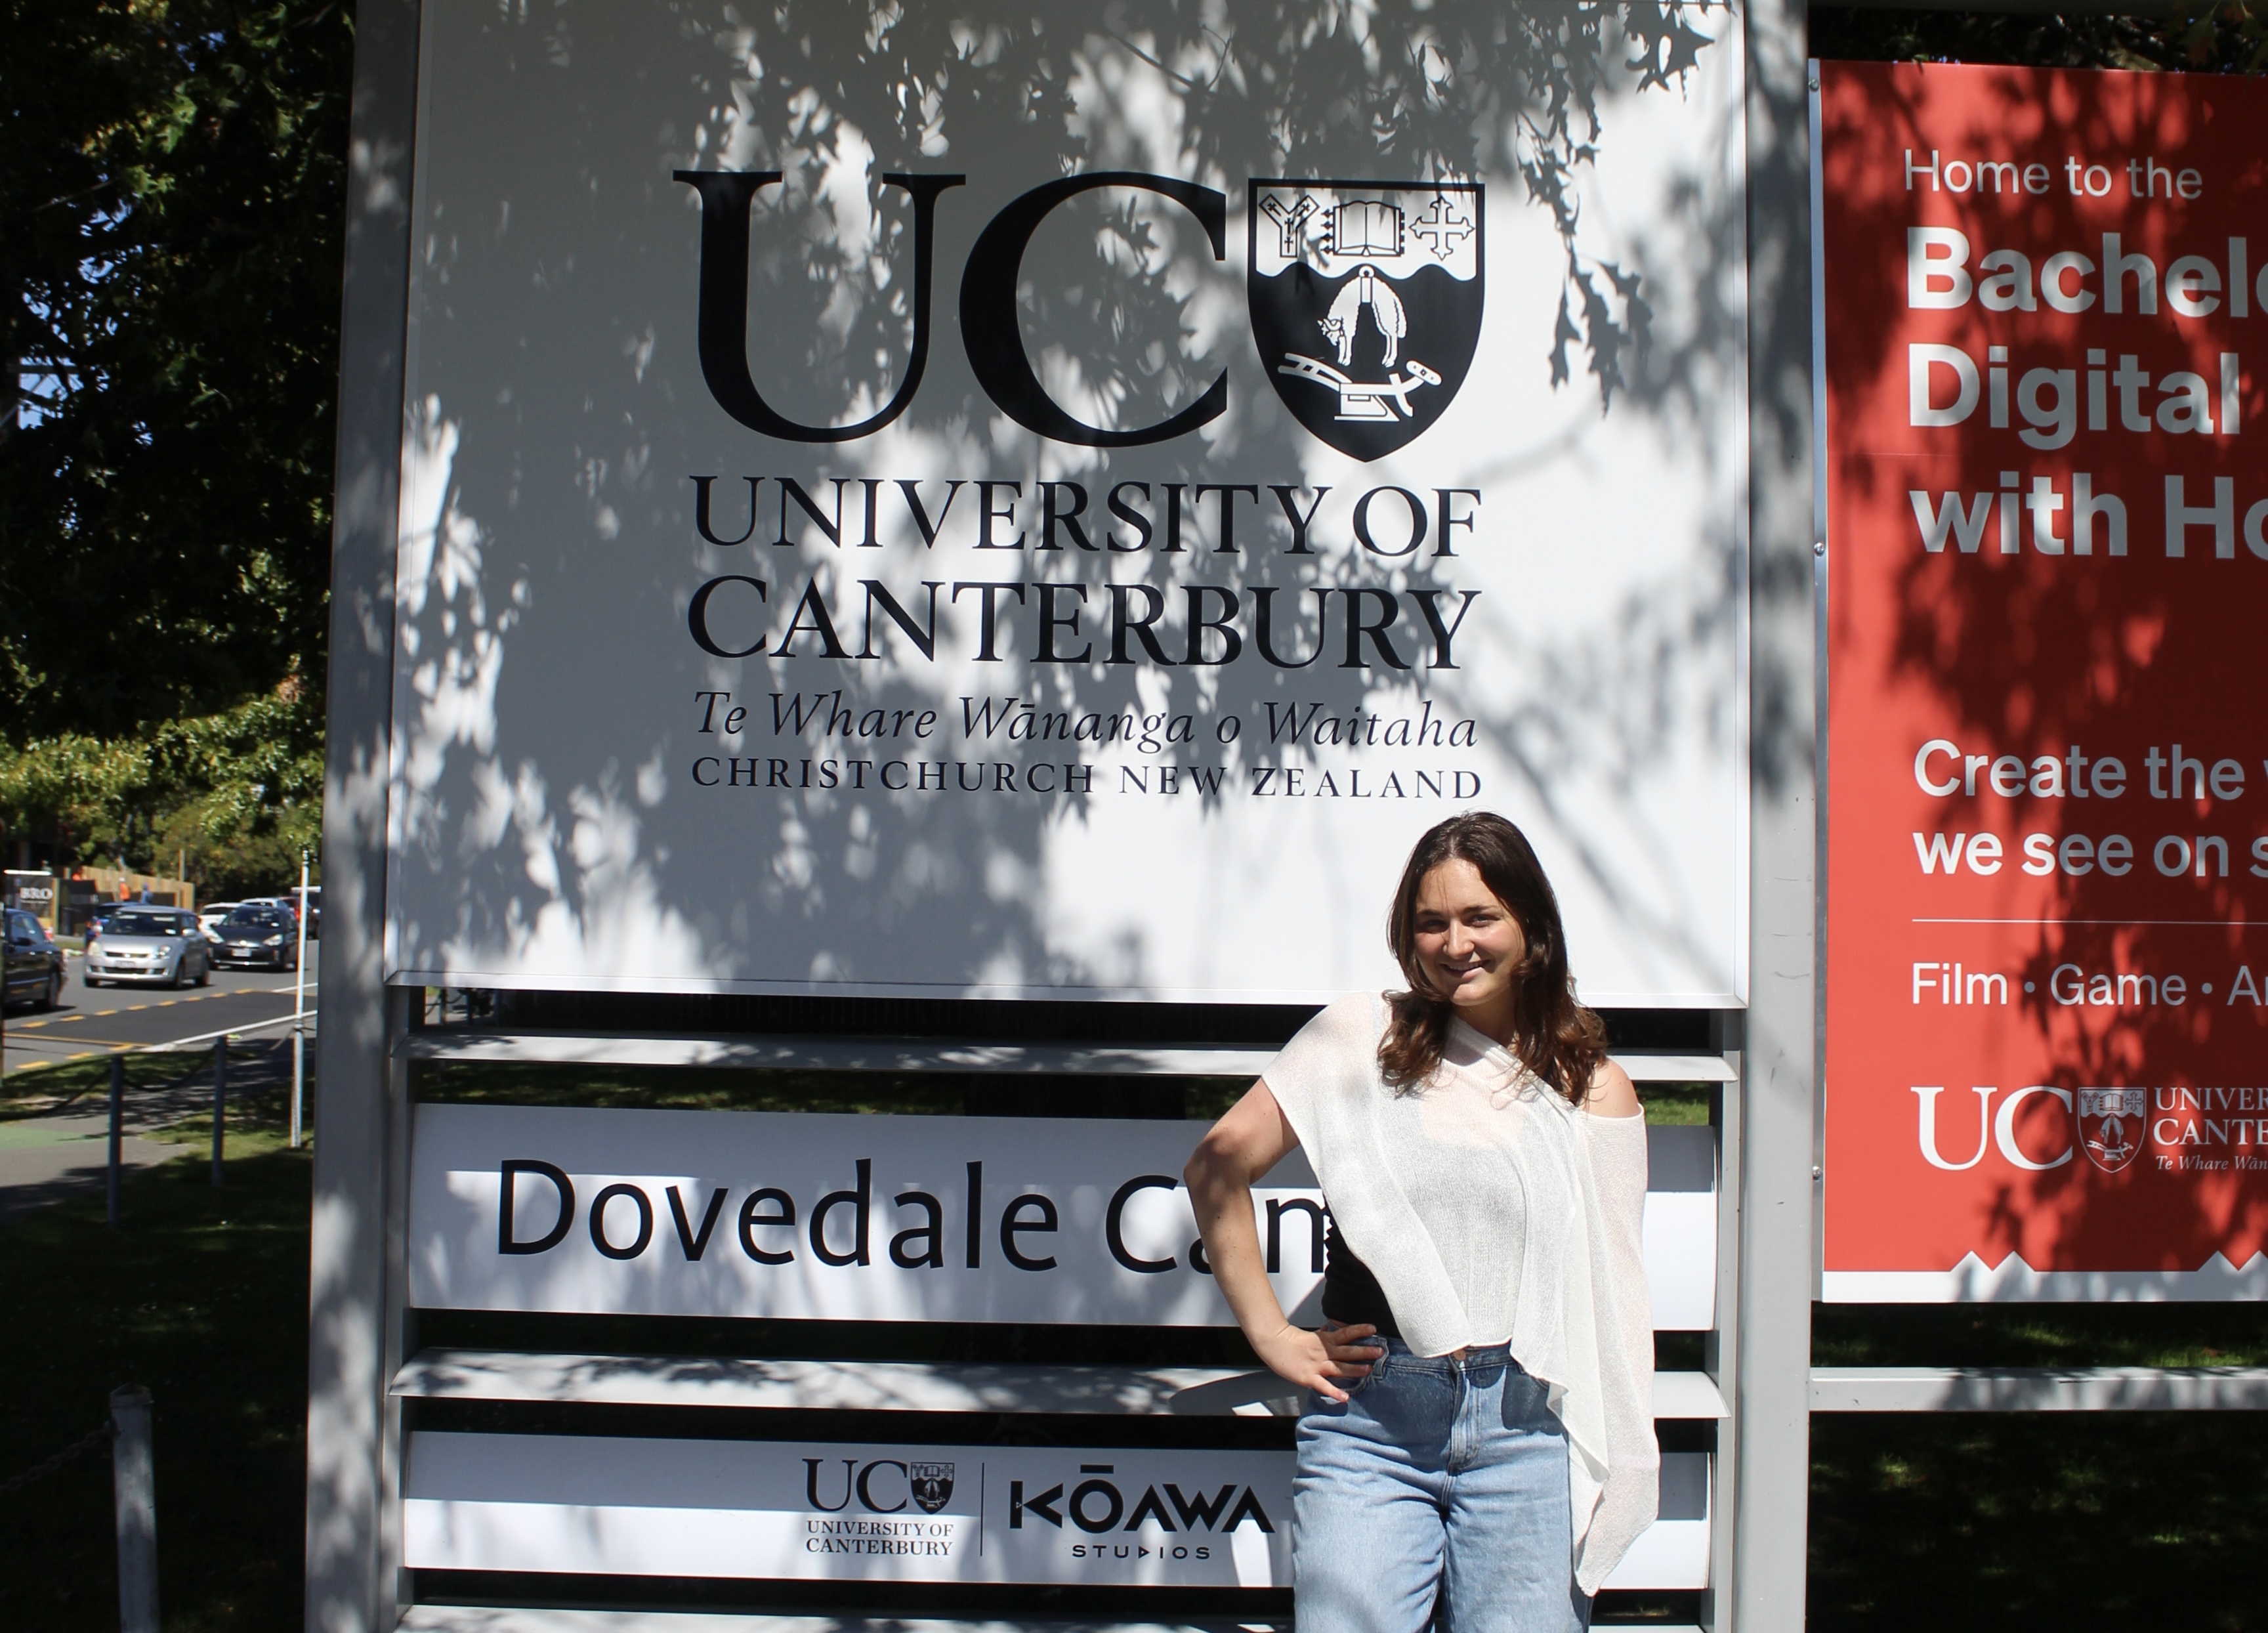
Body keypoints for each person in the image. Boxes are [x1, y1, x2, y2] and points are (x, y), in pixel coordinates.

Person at [1185, 812, 1656, 1633]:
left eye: (1481, 917)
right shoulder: (1361, 1038)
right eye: (1432, 922)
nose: (1455, 942)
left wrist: (1622, 1446)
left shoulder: (1593, 1086)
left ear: (1531, 927)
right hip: (1373, 1426)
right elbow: (1216, 1164)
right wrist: (1270, 1333)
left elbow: (1615, 1291)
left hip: (1530, 1428)